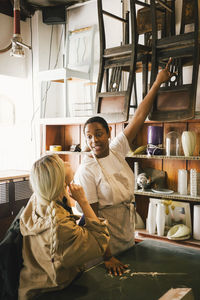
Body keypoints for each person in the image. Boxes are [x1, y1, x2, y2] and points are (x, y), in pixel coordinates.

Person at [74, 59, 173, 276]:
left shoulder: (117, 149)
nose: (94, 141)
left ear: (108, 133)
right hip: (103, 246)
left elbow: (139, 116)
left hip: (126, 232)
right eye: (89, 137)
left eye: (98, 134)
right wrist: (107, 256)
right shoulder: (86, 170)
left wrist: (157, 82)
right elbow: (92, 218)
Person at [18, 154, 109, 300]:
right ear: (60, 182)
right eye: (62, 163)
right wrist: (84, 201)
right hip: (52, 292)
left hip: (31, 285)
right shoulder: (59, 225)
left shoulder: (39, 198)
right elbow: (99, 243)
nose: (66, 162)